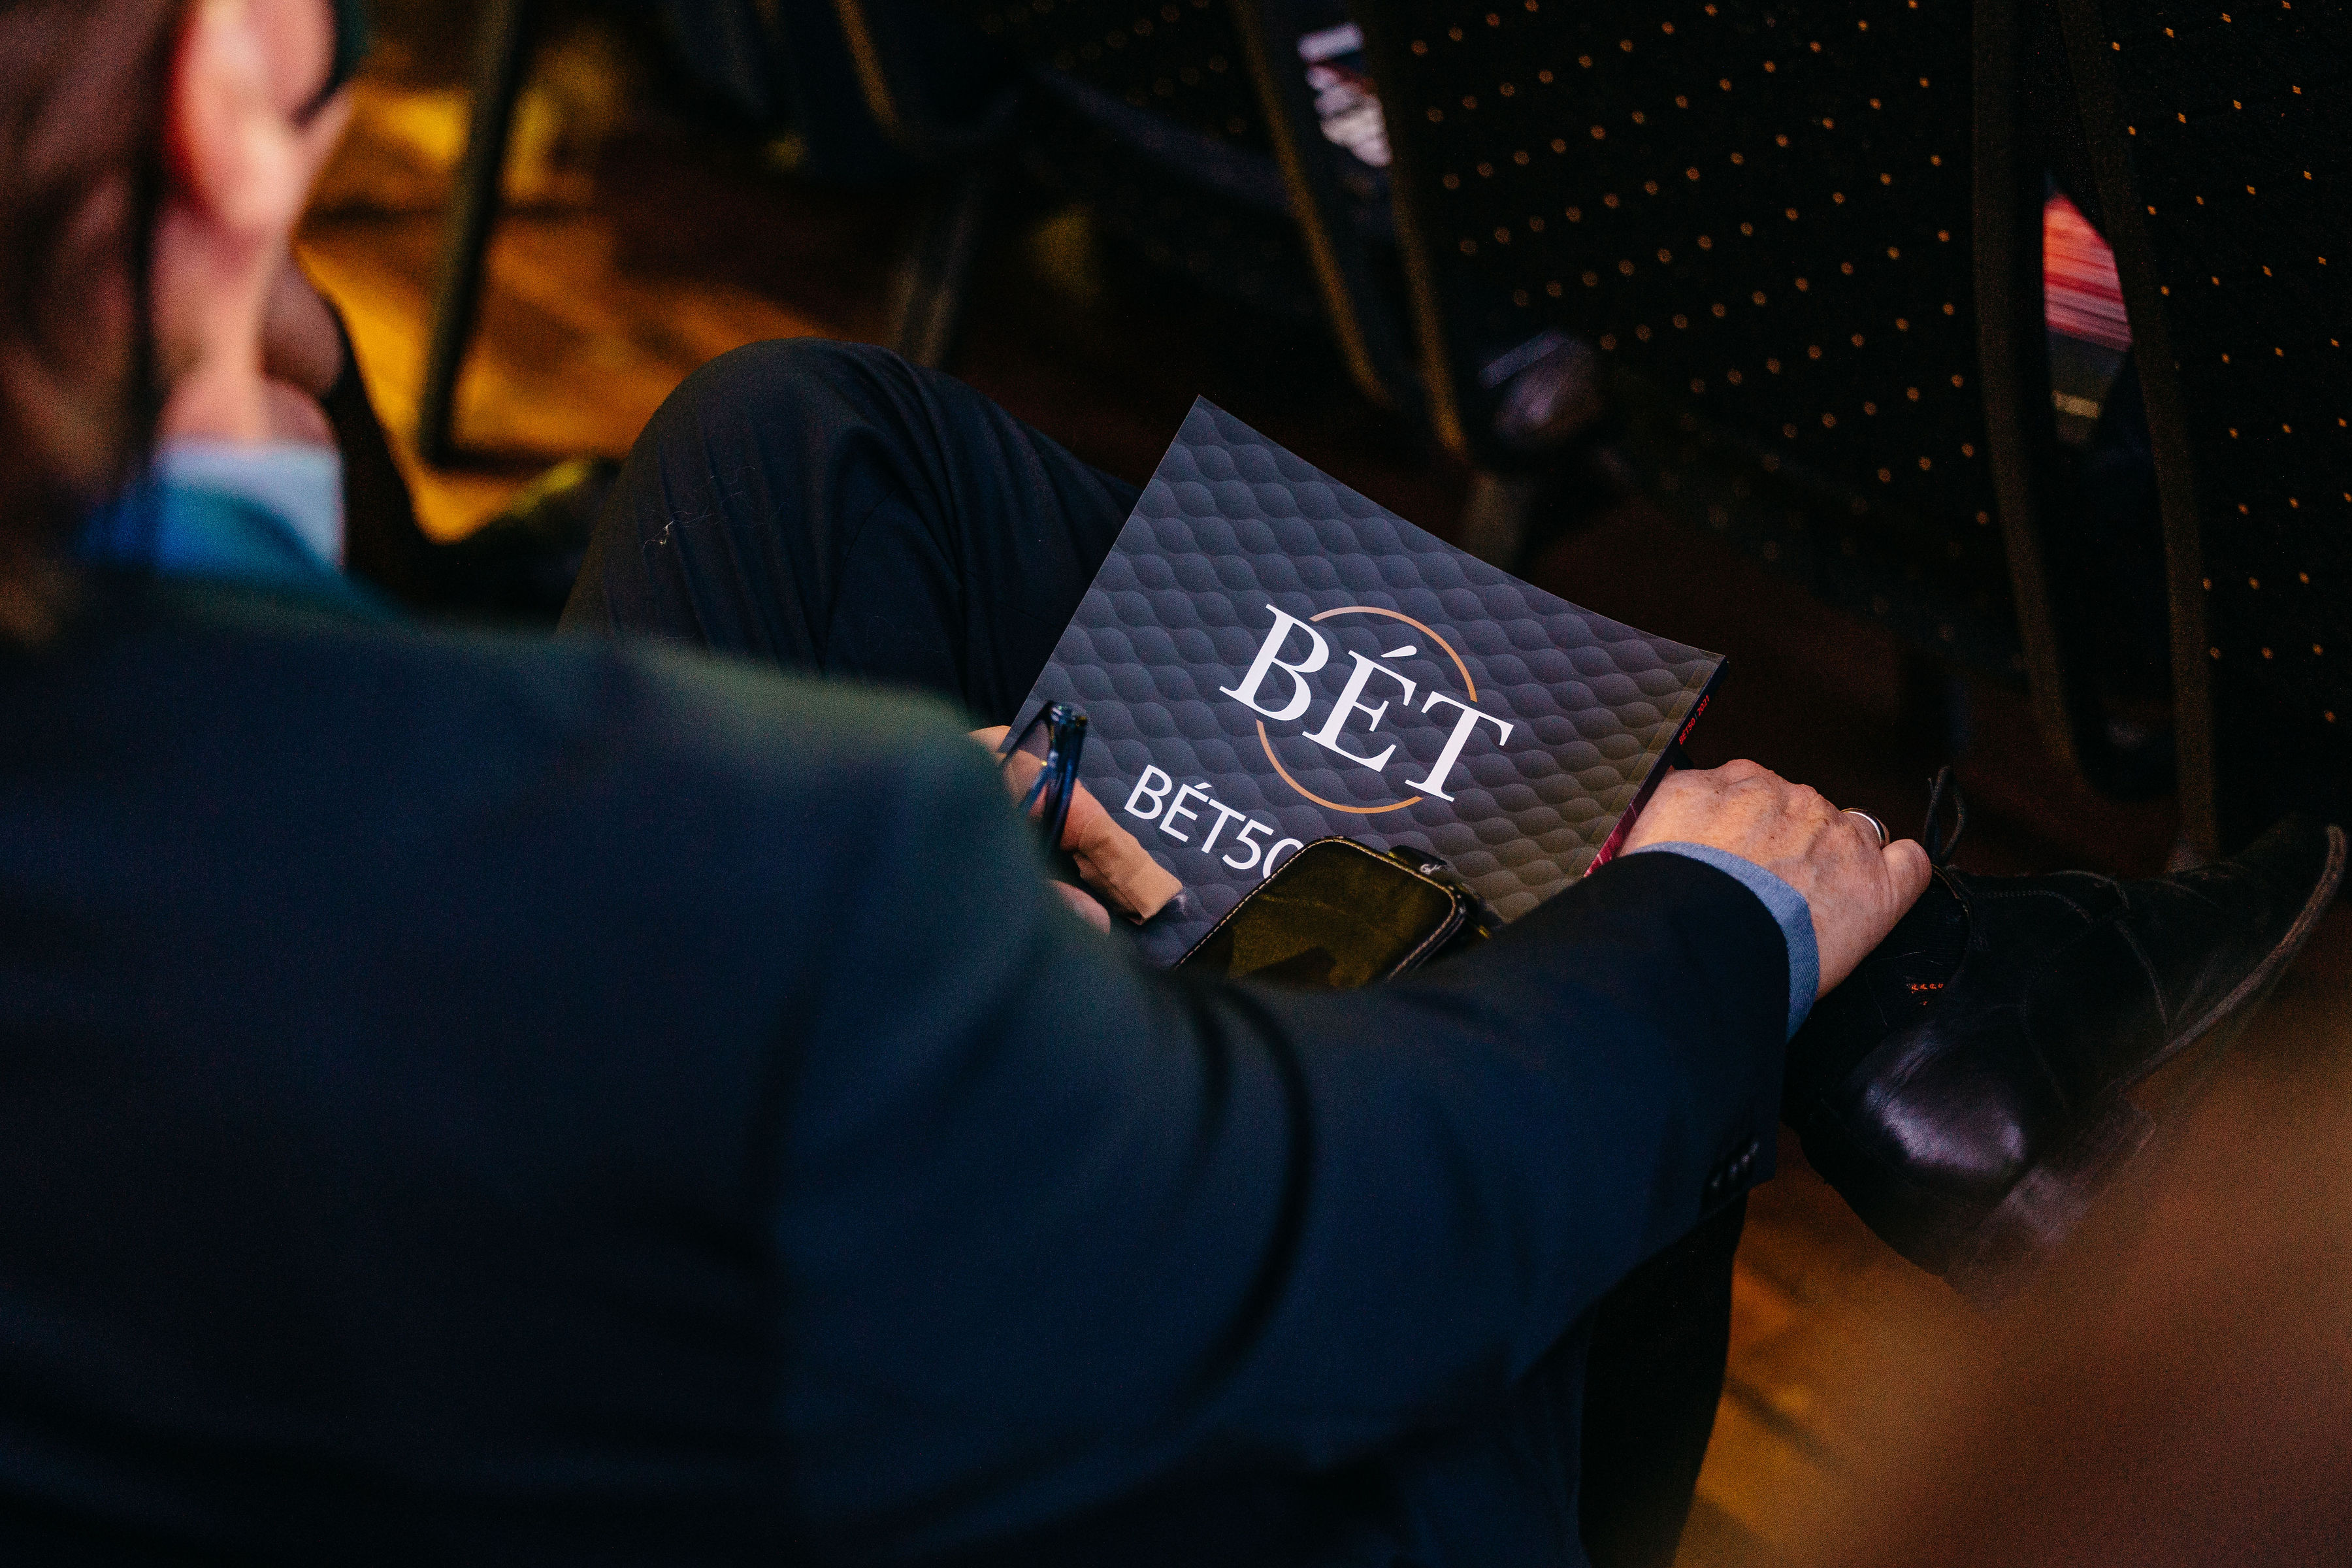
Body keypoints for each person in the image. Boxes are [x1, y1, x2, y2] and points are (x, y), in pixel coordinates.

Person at [0, 1, 2335, 1564]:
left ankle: (1906, 988)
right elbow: (1347, 1237)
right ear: (223, 113)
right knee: (1625, 1008)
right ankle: (1878, 982)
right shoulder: (731, 866)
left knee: (802, 449)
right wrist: (1711, 930)